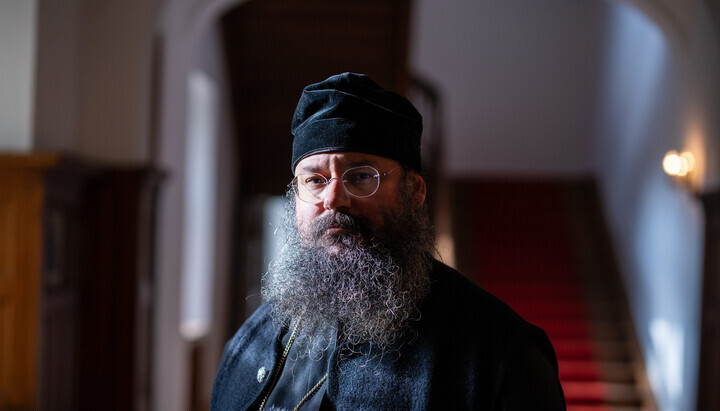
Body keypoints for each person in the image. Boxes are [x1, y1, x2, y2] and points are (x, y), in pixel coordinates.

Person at [211, 73, 566, 410]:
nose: (333, 199)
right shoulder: (250, 342)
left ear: (415, 191)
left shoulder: (501, 355)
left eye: (361, 176)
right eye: (315, 180)